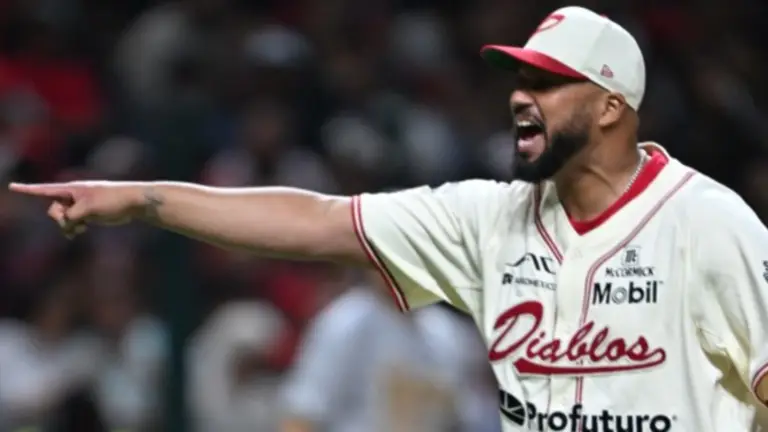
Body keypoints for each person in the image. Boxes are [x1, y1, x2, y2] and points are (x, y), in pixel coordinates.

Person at [9, 5, 768, 431]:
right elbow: (316, 221)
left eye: (548, 83)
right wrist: (141, 198)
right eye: (518, 78)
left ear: (610, 107)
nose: (519, 95)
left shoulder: (708, 225)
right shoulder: (486, 218)